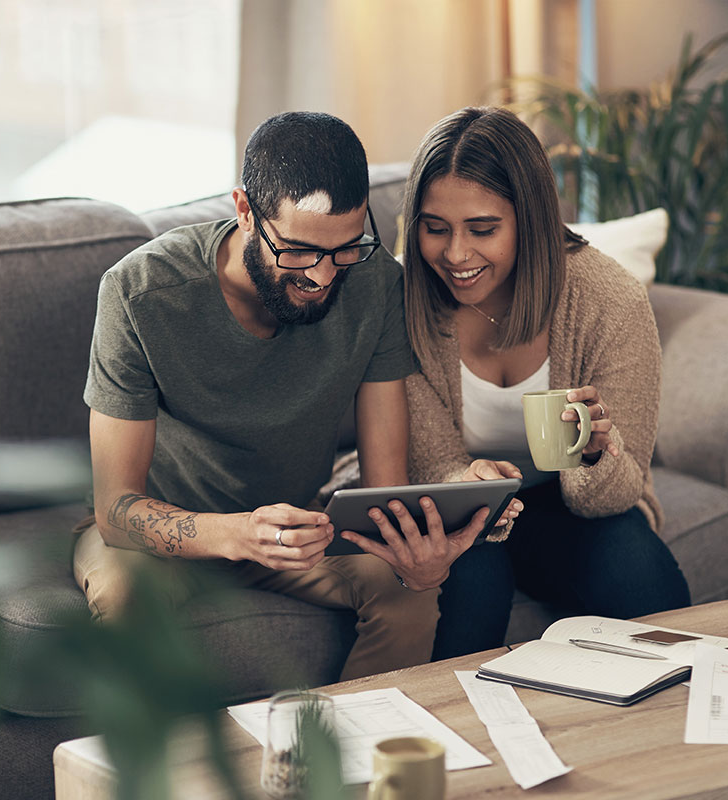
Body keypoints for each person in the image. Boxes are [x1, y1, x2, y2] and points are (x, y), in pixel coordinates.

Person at [73, 110, 517, 682]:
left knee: (406, 589)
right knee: (126, 600)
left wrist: (417, 560)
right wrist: (238, 534)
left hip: (298, 530)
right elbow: (115, 512)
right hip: (156, 540)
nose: (323, 277)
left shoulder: (376, 283)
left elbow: (384, 489)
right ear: (244, 211)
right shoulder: (141, 293)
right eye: (299, 251)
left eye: (344, 249)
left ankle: (362, 756)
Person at [399, 106, 690, 640]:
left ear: (529, 219)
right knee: (473, 578)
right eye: (435, 228)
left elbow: (616, 496)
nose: (455, 254)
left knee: (639, 573)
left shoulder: (608, 299)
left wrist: (596, 452)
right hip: (461, 508)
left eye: (483, 229)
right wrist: (463, 484)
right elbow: (431, 462)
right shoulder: (406, 302)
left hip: (569, 504)